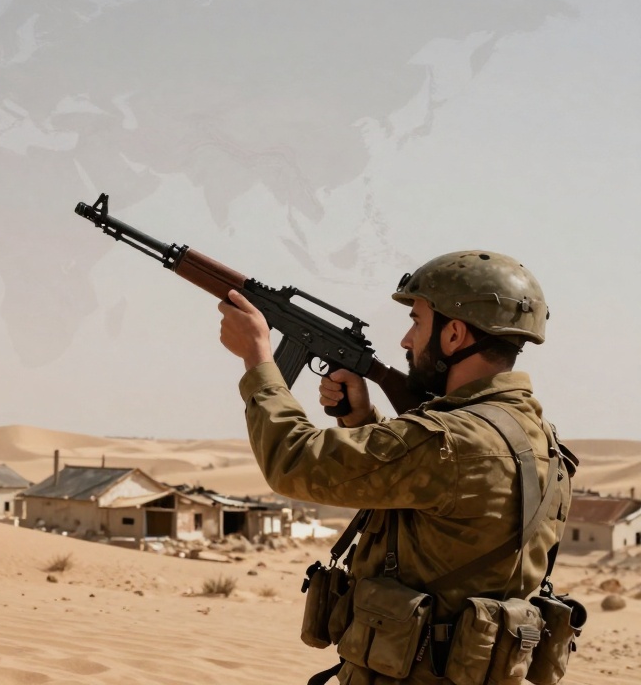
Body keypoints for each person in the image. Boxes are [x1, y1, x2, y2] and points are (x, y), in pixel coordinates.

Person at [217, 250, 572, 685]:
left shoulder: (452, 440)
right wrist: (363, 420)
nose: (406, 341)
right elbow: (438, 493)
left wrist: (258, 360)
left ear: (455, 334)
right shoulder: (542, 441)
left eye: (417, 322)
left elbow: (294, 462)